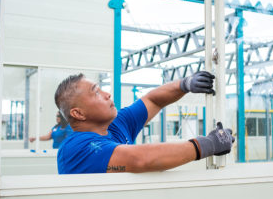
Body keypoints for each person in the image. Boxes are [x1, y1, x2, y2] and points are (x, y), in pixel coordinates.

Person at [55, 71, 235, 174]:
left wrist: (185, 84)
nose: (107, 94)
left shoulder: (116, 124)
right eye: (96, 92)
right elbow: (140, 159)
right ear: (78, 113)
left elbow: (152, 101)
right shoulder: (75, 148)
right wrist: (209, 144)